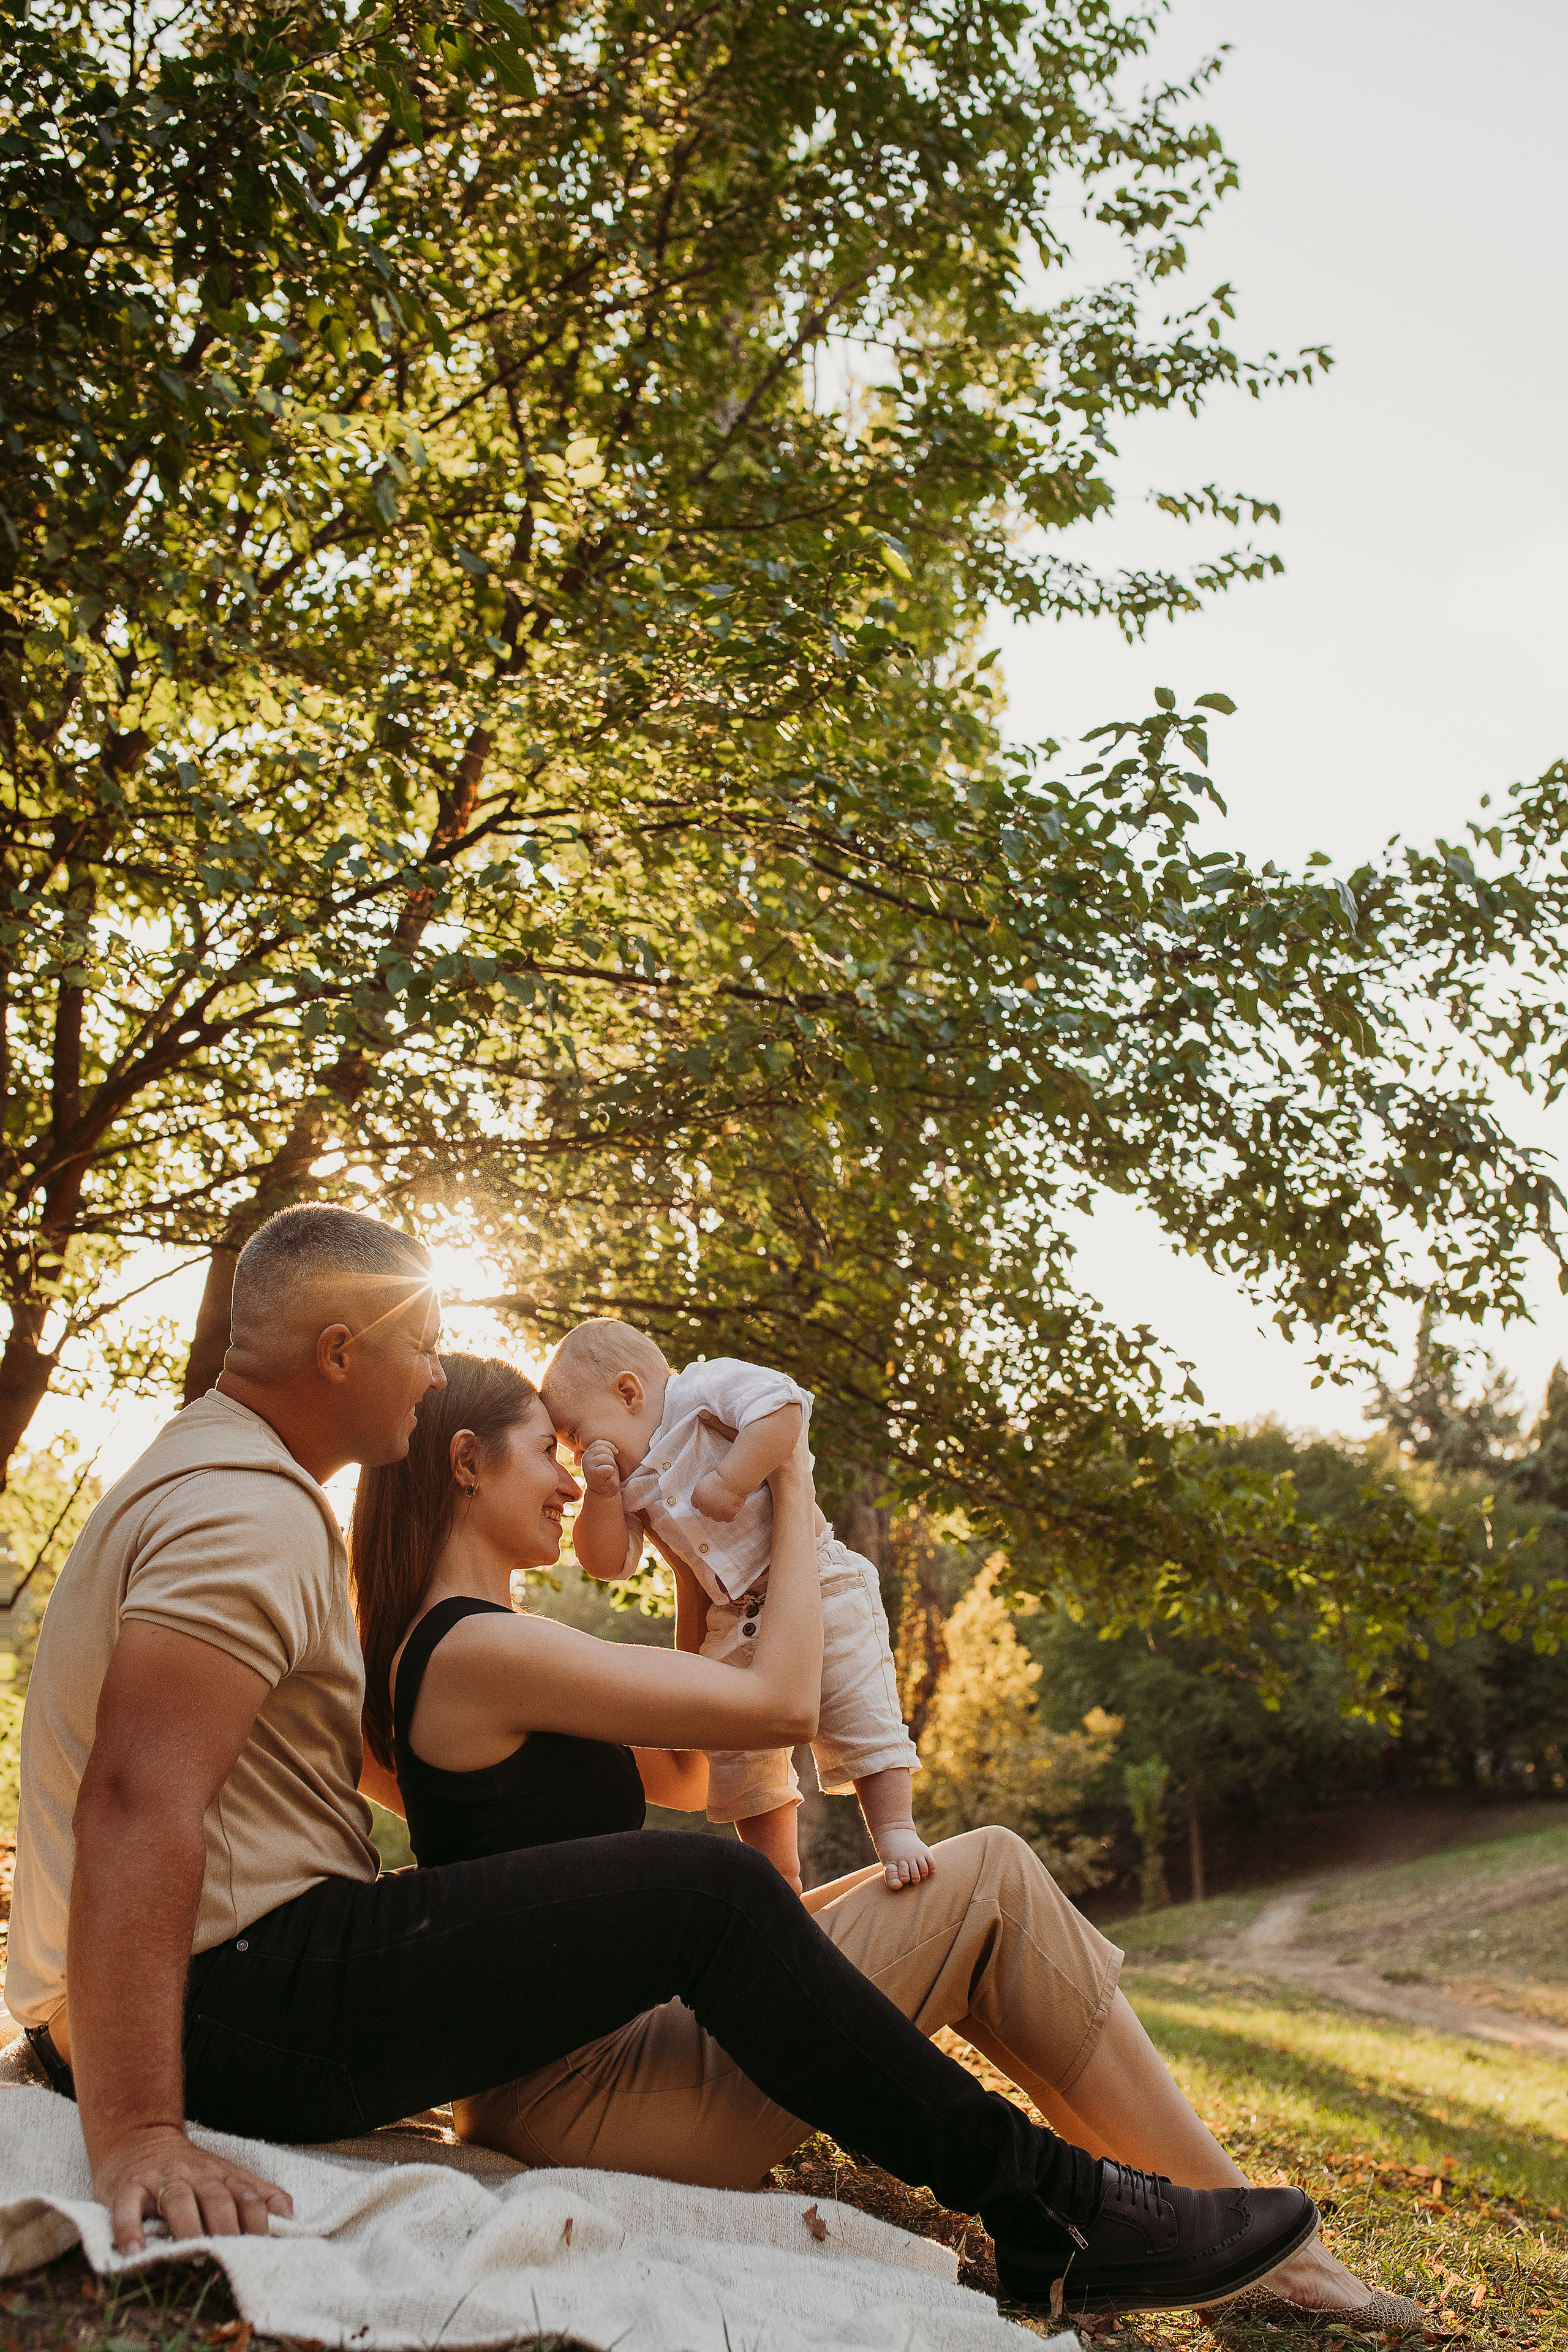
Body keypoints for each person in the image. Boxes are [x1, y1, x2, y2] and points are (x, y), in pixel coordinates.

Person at [0, 1205, 1337, 2321]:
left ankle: (1134, 2215)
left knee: (750, 1887)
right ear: (340, 1351)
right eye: (415, 1348)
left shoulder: (235, 1491)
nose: (423, 1375)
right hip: (236, 1998)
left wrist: (702, 1568)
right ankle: (1063, 2206)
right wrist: (137, 2129)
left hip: (252, 1985)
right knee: (707, 1895)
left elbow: (676, 1765)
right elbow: (135, 1798)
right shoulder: (248, 1511)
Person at [352, 1341, 1417, 2330]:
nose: (578, 1481)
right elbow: (776, 1707)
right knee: (990, 1881)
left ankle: (1174, 2222)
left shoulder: (493, 1648)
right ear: (464, 1464)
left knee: (983, 1885)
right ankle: (1249, 2247)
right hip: (589, 2098)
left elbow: (688, 1767)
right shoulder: (478, 1650)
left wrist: (695, 1575)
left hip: (614, 2045)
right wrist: (793, 1486)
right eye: (551, 1454)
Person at [538, 1318, 929, 1894]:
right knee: (738, 1754)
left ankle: (895, 1828)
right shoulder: (627, 1479)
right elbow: (607, 1561)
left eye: (578, 1438)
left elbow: (784, 1411)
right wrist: (600, 1497)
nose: (579, 1458)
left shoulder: (701, 1389)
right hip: (733, 1615)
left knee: (857, 1700)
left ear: (629, 1393)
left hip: (818, 1579)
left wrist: (732, 1477)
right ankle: (780, 1877)